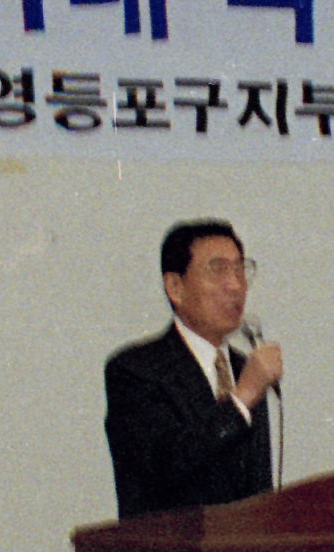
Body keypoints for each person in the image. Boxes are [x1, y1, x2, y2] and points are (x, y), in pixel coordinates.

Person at [101, 220, 279, 519]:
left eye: (239, 270)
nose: (235, 285)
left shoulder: (244, 369)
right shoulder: (136, 370)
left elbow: (257, 487)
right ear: (175, 287)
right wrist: (242, 397)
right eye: (218, 270)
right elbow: (164, 467)